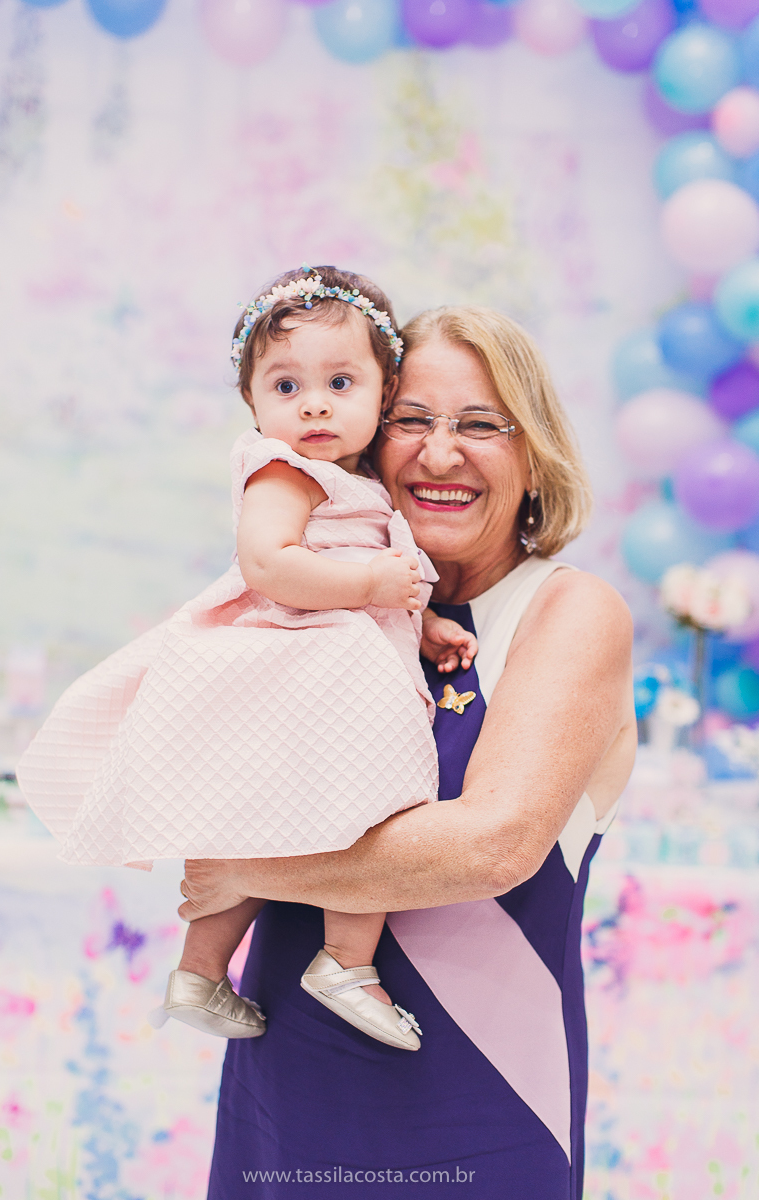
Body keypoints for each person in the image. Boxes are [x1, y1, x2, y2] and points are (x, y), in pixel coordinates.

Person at [179, 305, 637, 1199]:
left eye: (480, 425)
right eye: (411, 420)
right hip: (286, 1091)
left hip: (481, 1112)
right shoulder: (321, 603)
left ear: (535, 451)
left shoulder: (569, 612)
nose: (438, 454)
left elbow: (488, 846)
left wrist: (240, 864)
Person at [16, 266, 479, 1054]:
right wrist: (373, 582)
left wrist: (424, 618)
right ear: (254, 405)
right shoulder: (281, 471)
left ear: (384, 388)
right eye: (286, 385)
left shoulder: (356, 484)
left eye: (340, 381)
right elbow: (270, 564)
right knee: (380, 808)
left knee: (258, 830)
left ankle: (198, 977)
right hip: (298, 667)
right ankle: (346, 961)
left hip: (330, 667)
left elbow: (378, 562)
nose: (315, 404)